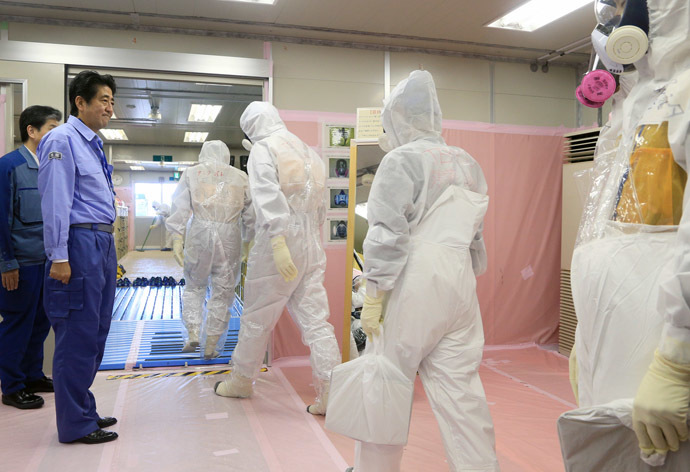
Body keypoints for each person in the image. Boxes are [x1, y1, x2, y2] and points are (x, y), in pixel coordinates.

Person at [352, 70, 499, 472]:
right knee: (462, 392)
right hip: (460, 282)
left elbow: (386, 233)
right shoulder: (468, 162)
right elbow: (475, 238)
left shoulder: (401, 160)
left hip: (412, 278)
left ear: (398, 119)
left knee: (386, 383)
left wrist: (374, 294)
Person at [569, 0, 690, 463]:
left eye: (622, 4)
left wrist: (677, 360)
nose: (614, 16)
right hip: (614, 336)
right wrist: (586, 334)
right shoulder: (637, 101)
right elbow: (607, 230)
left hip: (663, 338)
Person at [214, 101, 340, 415]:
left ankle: (242, 380)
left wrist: (280, 241)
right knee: (317, 322)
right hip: (312, 241)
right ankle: (333, 395)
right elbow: (321, 205)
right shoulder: (309, 151)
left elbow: (266, 195)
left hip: (280, 241)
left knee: (257, 317)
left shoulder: (264, 149)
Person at [37, 70, 119, 445]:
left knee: (96, 331)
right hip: (78, 244)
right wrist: (58, 256)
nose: (109, 107)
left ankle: (82, 408)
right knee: (76, 334)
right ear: (80, 102)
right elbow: (55, 200)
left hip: (100, 243)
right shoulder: (62, 139)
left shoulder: (93, 144)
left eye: (111, 101)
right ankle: (74, 424)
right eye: (103, 100)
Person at [166, 140, 253, 359]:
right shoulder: (241, 177)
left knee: (194, 286)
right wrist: (247, 242)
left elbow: (180, 207)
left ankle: (193, 332)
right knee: (223, 290)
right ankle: (211, 345)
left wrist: (177, 238)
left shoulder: (191, 173)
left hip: (200, 233)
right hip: (230, 236)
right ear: (226, 156)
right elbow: (251, 215)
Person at [0, 105, 61, 410]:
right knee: (17, 323)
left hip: (46, 261)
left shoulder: (52, 166)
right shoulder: (9, 166)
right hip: (20, 264)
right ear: (32, 131)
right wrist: (6, 263)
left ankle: (32, 375)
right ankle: (11, 387)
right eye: (52, 127)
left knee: (40, 322)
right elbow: (0, 219)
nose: (57, 133)